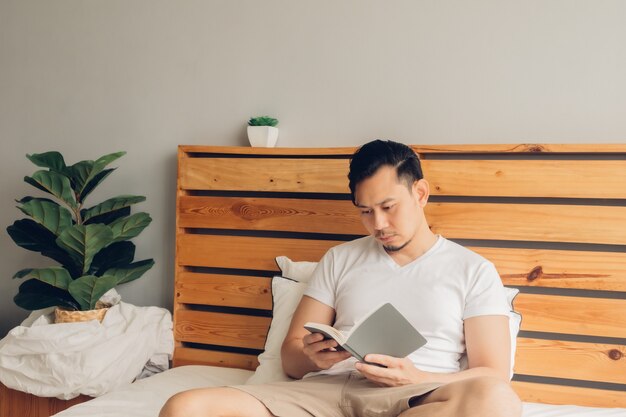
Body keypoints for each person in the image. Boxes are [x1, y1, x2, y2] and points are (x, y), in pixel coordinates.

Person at [160, 139, 522, 417]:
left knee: (496, 400)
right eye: (365, 212)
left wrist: (416, 379)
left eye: (388, 208)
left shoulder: (472, 269)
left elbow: (492, 373)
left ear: (420, 193)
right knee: (186, 406)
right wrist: (314, 357)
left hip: (416, 398)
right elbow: (290, 358)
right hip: (326, 394)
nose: (378, 224)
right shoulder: (340, 258)